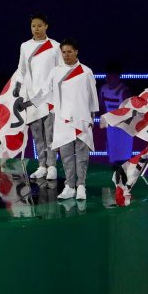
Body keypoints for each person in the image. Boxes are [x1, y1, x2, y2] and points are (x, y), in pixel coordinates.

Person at [13, 13, 63, 180]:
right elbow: (21, 70)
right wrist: (18, 84)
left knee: (50, 134)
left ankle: (52, 166)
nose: (36, 29)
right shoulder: (25, 46)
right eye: (33, 26)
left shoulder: (55, 47)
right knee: (37, 134)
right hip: (32, 97)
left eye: (39, 25)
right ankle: (42, 165)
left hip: (49, 97)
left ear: (46, 26)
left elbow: (60, 71)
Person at [49, 38, 98, 200]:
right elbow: (48, 94)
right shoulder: (55, 71)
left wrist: (92, 117)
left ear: (76, 52)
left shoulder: (86, 72)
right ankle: (69, 186)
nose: (66, 55)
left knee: (82, 155)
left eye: (70, 51)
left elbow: (93, 97)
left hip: (81, 119)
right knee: (66, 155)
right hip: (62, 121)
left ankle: (81, 186)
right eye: (64, 52)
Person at [99, 61, 133, 166]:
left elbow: (130, 112)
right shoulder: (103, 89)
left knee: (124, 157)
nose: (108, 77)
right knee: (112, 156)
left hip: (124, 128)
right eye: (107, 74)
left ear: (117, 76)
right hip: (111, 127)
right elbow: (102, 106)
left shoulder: (124, 92)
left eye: (111, 74)